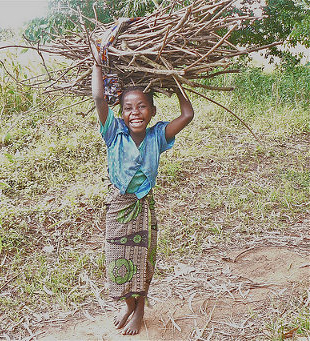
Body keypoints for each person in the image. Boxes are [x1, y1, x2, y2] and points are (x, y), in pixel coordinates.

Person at [91, 52, 194, 335]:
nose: (135, 112)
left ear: (152, 111)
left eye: (142, 107)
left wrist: (174, 81)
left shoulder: (158, 136)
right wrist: (97, 64)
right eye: (128, 108)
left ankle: (139, 310)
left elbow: (187, 114)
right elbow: (100, 99)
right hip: (119, 205)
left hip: (144, 206)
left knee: (143, 260)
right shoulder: (113, 133)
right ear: (120, 112)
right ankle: (127, 304)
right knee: (116, 259)